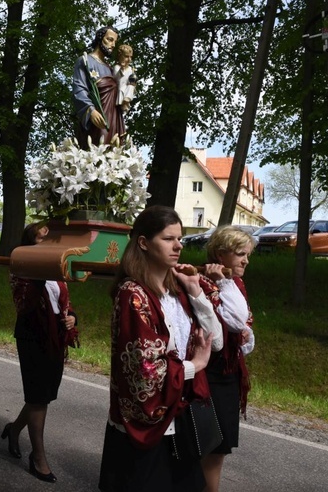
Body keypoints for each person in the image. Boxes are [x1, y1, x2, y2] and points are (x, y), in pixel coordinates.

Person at [98, 205, 223, 492]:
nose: (178, 245)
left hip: (178, 414)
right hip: (147, 422)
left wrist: (195, 291)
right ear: (143, 243)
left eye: (179, 238)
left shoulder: (176, 291)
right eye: (168, 239)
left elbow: (215, 341)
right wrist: (196, 365)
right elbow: (146, 373)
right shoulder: (133, 295)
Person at [1, 223, 79, 483]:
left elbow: (65, 303)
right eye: (39, 238)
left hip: (55, 337)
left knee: (42, 397)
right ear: (29, 242)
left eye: (49, 240)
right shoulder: (22, 267)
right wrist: (40, 271)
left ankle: (13, 430)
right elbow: (25, 304)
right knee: (37, 396)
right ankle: (39, 457)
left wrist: (72, 319)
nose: (45, 243)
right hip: (32, 336)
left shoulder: (58, 268)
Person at [198, 226, 256, 492]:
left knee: (218, 447)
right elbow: (234, 322)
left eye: (247, 255)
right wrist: (221, 283)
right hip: (208, 373)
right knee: (208, 444)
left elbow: (244, 326)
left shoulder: (234, 282)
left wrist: (246, 336)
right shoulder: (202, 281)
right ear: (221, 254)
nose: (246, 260)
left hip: (228, 373)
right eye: (240, 254)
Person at [72, 26, 126, 148]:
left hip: (113, 119)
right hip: (97, 119)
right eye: (110, 39)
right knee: (96, 150)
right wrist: (90, 110)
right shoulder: (85, 61)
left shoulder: (110, 69)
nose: (113, 45)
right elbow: (79, 89)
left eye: (115, 42)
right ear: (100, 38)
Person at [113, 44, 137, 113]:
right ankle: (123, 103)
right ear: (120, 56)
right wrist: (122, 69)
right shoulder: (117, 67)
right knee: (122, 88)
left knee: (131, 87)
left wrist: (134, 81)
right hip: (119, 88)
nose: (129, 59)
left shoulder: (130, 69)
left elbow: (131, 80)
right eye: (126, 57)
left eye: (130, 57)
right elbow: (116, 78)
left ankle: (126, 101)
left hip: (127, 88)